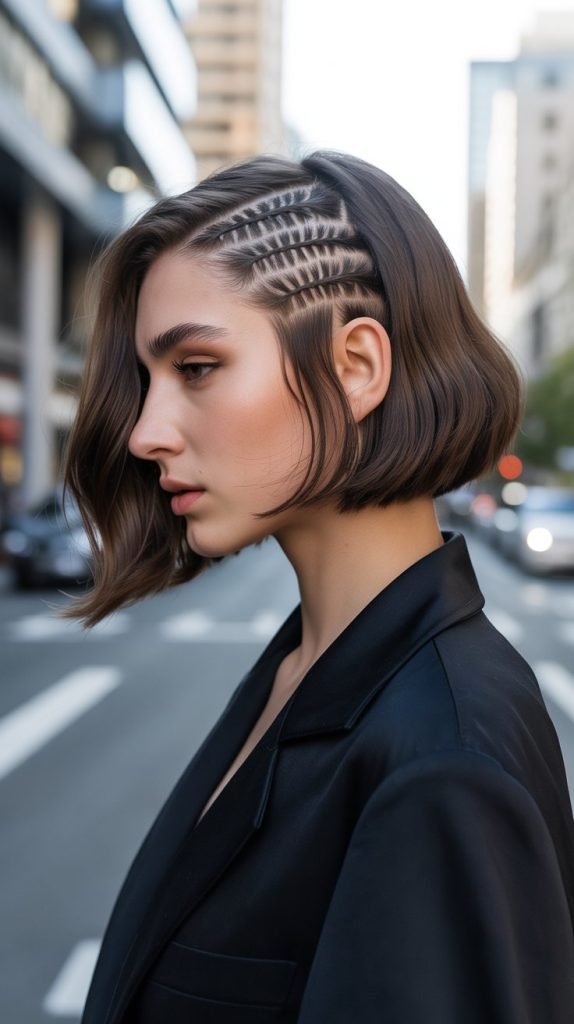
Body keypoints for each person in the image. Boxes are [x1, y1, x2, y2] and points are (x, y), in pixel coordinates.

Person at [65, 152, 574, 1024]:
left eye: (195, 368)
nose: (146, 432)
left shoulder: (442, 763)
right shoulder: (309, 668)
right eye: (148, 382)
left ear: (356, 367)